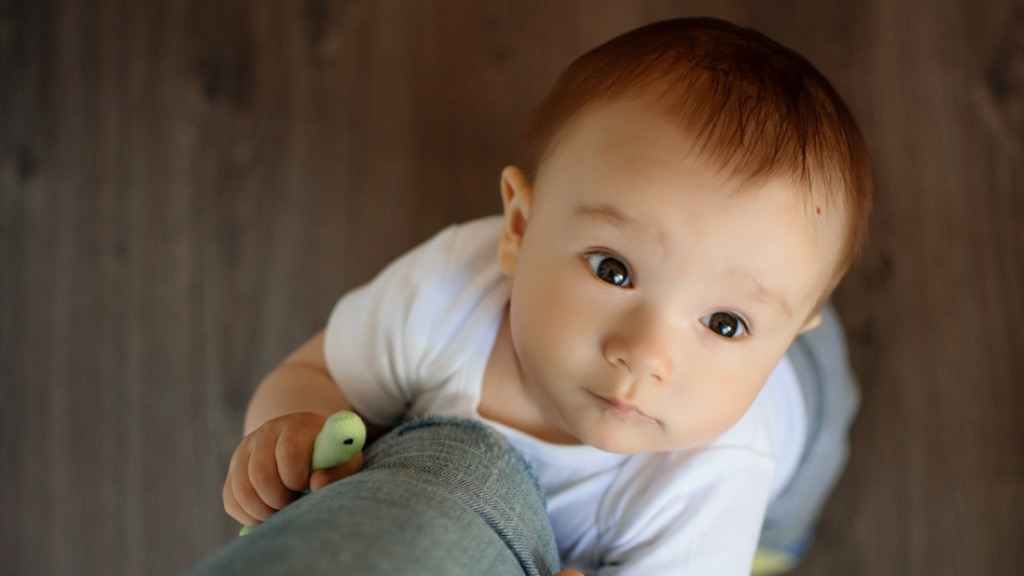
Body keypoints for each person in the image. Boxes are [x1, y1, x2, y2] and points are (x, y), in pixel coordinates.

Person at [217, 16, 871, 575]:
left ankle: (779, 538)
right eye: (614, 270)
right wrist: (291, 434)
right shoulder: (447, 292)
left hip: (803, 404)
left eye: (724, 324)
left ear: (784, 339)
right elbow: (318, 372)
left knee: (780, 518)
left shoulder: (713, 478)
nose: (645, 355)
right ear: (520, 229)